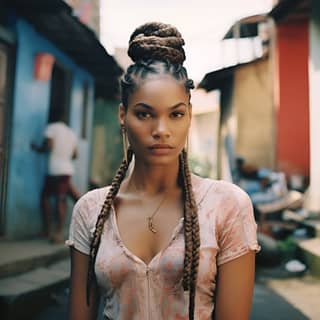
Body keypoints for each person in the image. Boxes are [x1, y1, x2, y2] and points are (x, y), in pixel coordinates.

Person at [67, 22, 260, 320]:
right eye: (144, 114)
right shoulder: (91, 211)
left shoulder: (226, 206)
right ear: (123, 115)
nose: (161, 130)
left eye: (176, 114)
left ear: (189, 116)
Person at [31, 113, 80, 244]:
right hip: (67, 169)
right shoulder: (71, 132)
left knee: (48, 198)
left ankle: (52, 232)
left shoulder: (51, 128)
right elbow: (75, 155)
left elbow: (49, 146)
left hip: (54, 170)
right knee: (59, 198)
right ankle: (54, 232)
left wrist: (37, 148)